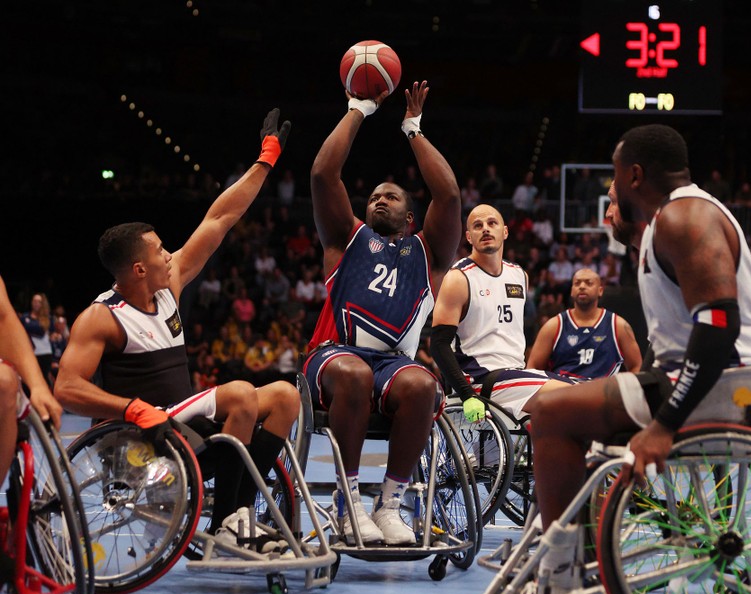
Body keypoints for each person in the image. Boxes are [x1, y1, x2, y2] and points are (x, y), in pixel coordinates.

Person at [526, 124, 751, 594]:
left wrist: (664, 425)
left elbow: (720, 325)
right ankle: (581, 548)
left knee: (549, 410)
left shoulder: (684, 217)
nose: (612, 188)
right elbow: (680, 312)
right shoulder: (669, 222)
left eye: (616, 177)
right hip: (729, 379)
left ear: (636, 175)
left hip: (732, 382)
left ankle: (560, 569)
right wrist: (631, 236)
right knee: (580, 402)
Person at [54, 109, 301, 551]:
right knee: (242, 393)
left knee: (284, 396)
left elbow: (219, 219)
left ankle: (238, 512)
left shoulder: (168, 284)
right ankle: (230, 525)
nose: (169, 253)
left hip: (180, 425)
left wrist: (265, 160)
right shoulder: (100, 317)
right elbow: (66, 388)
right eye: (159, 249)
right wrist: (130, 408)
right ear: (137, 269)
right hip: (135, 443)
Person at [301, 81, 461, 546]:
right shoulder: (344, 238)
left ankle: (389, 504)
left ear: (411, 218)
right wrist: (358, 109)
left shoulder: (427, 252)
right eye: (373, 196)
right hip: (334, 356)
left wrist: (413, 129)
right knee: (354, 374)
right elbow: (321, 175)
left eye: (390, 196)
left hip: (393, 364)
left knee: (423, 384)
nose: (379, 199)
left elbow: (448, 195)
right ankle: (348, 502)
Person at [429, 203, 574, 426]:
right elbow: (438, 345)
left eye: (491, 223)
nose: (485, 229)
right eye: (478, 226)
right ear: (469, 237)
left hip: (515, 374)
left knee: (584, 388)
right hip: (480, 379)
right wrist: (467, 395)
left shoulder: (519, 276)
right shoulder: (458, 278)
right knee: (571, 396)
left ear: (505, 231)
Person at [0, 275, 63, 490]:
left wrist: (37, 386)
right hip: (36, 351)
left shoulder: (45, 319)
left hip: (42, 354)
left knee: (7, 381)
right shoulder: (27, 318)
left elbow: (4, 319)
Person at [526, 268, 641, 380]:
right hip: (563, 392)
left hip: (602, 393)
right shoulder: (554, 326)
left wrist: (622, 391)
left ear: (600, 290)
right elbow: (532, 368)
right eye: (577, 283)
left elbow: (637, 366)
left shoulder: (618, 325)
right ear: (571, 290)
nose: (582, 286)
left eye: (588, 283)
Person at [19, 292, 53, 386]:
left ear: (42, 304)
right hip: (30, 353)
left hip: (44, 353)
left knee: (44, 378)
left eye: (39, 301)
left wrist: (28, 327)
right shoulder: (25, 317)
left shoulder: (47, 318)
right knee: (28, 379)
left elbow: (41, 331)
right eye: (34, 300)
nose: (36, 303)